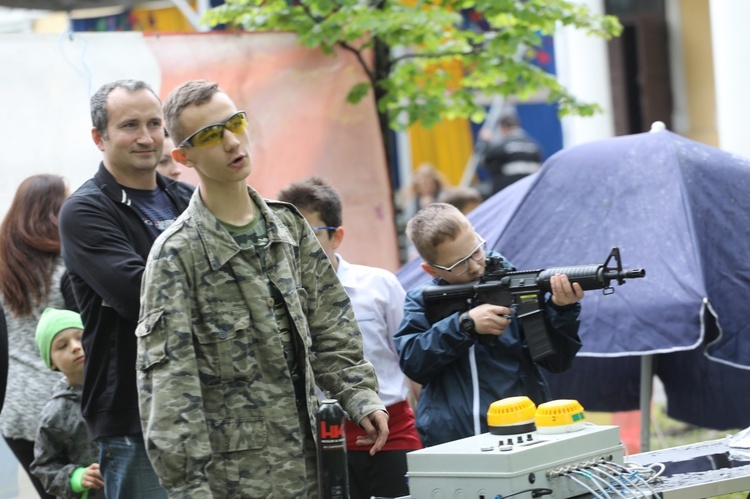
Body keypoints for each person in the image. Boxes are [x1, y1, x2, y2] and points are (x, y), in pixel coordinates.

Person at [136, 79, 388, 497]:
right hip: (235, 479)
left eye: (235, 122)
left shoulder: (288, 227)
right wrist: (189, 488)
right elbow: (169, 388)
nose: (233, 141)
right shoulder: (177, 255)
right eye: (212, 135)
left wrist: (359, 395)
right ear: (184, 156)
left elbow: (330, 324)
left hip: (311, 465)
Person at [58, 79, 195, 499]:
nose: (146, 137)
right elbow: (145, 296)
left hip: (208, 403)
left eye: (155, 124)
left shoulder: (190, 199)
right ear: (100, 137)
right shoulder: (85, 210)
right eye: (130, 125)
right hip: (135, 414)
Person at [277, 176, 423, 499]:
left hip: (391, 433)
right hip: (318, 441)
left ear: (336, 236)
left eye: (309, 234)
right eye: (288, 234)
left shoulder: (379, 286)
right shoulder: (277, 300)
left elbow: (412, 362)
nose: (297, 245)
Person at [394, 203, 584, 447]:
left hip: (520, 431)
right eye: (458, 264)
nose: (474, 266)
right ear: (431, 270)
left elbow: (556, 361)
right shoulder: (421, 300)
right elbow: (413, 362)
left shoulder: (516, 287)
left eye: (475, 251)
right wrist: (464, 325)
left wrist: (562, 309)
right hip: (452, 439)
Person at [0, 174, 74, 499]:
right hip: (63, 410)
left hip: (16, 411)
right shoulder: (64, 270)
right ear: (52, 212)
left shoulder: (4, 272)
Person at [31, 308, 104, 499]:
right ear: (51, 362)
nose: (75, 347)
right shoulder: (55, 413)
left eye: (80, 337)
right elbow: (44, 466)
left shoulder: (118, 385)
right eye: (62, 345)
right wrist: (77, 477)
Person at [478, 113, 542, 196]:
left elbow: (484, 161)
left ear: (503, 128)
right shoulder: (535, 146)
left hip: (507, 194)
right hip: (529, 193)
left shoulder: (502, 147)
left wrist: (486, 142)